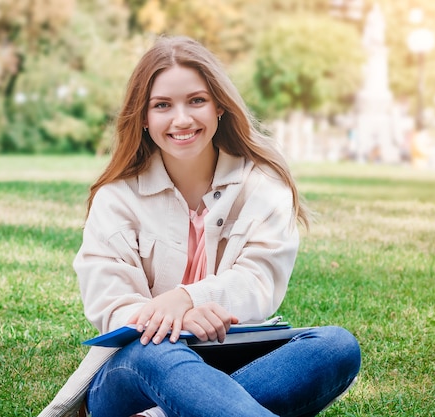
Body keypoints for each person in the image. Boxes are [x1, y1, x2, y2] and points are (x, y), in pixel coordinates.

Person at [38, 35, 361, 417]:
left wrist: (187, 297)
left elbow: (259, 281)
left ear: (219, 106)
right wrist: (180, 318)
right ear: (143, 117)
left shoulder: (262, 184)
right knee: (156, 346)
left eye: (196, 100)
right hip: (135, 372)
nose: (182, 119)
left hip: (227, 360)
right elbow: (109, 303)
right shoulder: (117, 197)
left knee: (335, 346)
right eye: (162, 105)